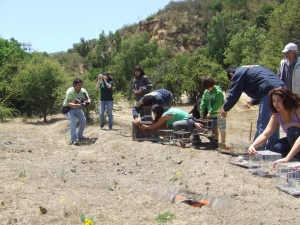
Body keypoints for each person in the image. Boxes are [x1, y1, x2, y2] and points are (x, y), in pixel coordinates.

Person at [221, 65, 285, 150]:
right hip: (282, 89)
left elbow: (234, 94)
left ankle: (256, 151)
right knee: (273, 122)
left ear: (231, 74)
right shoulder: (252, 68)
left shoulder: (238, 73)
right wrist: (253, 101)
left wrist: (225, 109)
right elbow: (263, 83)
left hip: (269, 91)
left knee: (263, 124)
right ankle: (272, 151)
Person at [247, 87, 300, 167]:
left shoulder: (297, 109)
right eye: (273, 101)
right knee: (276, 147)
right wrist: (253, 146)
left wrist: (295, 124)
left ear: (287, 99)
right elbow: (265, 135)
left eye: (279, 100)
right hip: (295, 142)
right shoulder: (276, 115)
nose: (276, 104)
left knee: (293, 132)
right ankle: (295, 157)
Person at [63, 78, 91, 145]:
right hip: (68, 108)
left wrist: (87, 103)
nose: (80, 86)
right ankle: (73, 140)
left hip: (77, 108)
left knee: (83, 120)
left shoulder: (83, 91)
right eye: (79, 85)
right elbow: (69, 103)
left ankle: (80, 135)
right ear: (75, 85)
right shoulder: (70, 91)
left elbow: (88, 99)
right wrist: (79, 105)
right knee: (73, 121)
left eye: (81, 85)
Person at [200, 76, 225, 147]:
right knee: (214, 128)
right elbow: (203, 102)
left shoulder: (218, 92)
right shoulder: (206, 92)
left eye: (209, 87)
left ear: (213, 84)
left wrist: (210, 112)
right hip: (211, 115)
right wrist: (202, 112)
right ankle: (215, 142)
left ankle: (223, 143)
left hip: (220, 113)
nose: (208, 89)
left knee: (222, 128)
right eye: (206, 88)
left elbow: (218, 103)